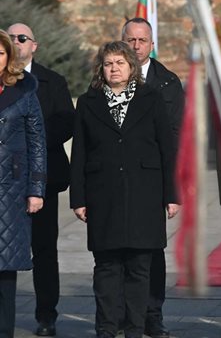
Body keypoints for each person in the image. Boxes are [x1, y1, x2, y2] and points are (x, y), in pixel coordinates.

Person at [69, 41, 179, 338]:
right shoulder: (88, 102)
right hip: (103, 195)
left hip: (145, 193)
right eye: (108, 63)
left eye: (120, 62)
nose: (114, 68)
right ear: (100, 68)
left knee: (139, 268)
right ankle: (106, 327)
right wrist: (78, 199)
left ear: (132, 67)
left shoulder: (151, 99)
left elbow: (166, 150)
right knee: (106, 266)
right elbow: (79, 152)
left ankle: (134, 328)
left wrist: (172, 195)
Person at [7, 22, 75, 337]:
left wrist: (30, 142)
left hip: (42, 179)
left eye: (22, 38)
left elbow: (65, 122)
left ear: (34, 45)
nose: (16, 42)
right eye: (11, 38)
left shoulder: (52, 81)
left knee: (44, 249)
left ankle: (46, 314)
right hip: (6, 184)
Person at [121, 18, 183, 338]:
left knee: (151, 249)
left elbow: (175, 137)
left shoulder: (167, 82)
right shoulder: (108, 77)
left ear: (151, 43)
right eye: (130, 40)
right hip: (115, 179)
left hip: (151, 179)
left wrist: (172, 189)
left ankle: (152, 314)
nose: (136, 46)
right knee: (116, 249)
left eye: (142, 41)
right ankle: (122, 314)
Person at [0, 29, 46, 338]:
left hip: (11, 191)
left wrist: (36, 190)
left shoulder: (25, 89)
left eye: (0, 53)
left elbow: (37, 143)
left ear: (8, 57)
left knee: (5, 266)